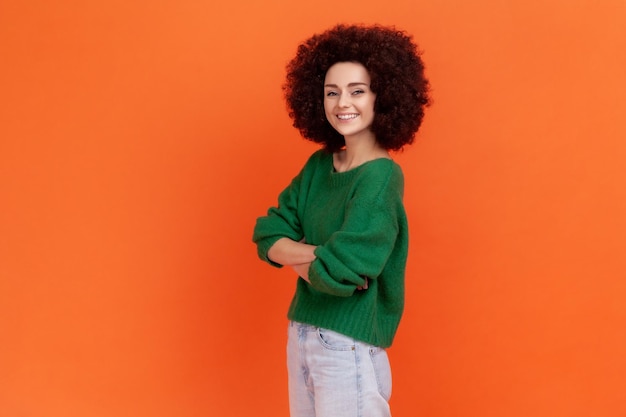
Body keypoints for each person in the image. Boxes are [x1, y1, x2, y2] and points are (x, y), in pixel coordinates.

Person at [252, 24, 430, 417]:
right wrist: (319, 256)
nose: (341, 103)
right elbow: (267, 233)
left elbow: (346, 272)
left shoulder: (381, 177)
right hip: (301, 334)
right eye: (332, 92)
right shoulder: (319, 165)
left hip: (345, 343)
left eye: (357, 90)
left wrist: (296, 256)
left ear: (382, 96)